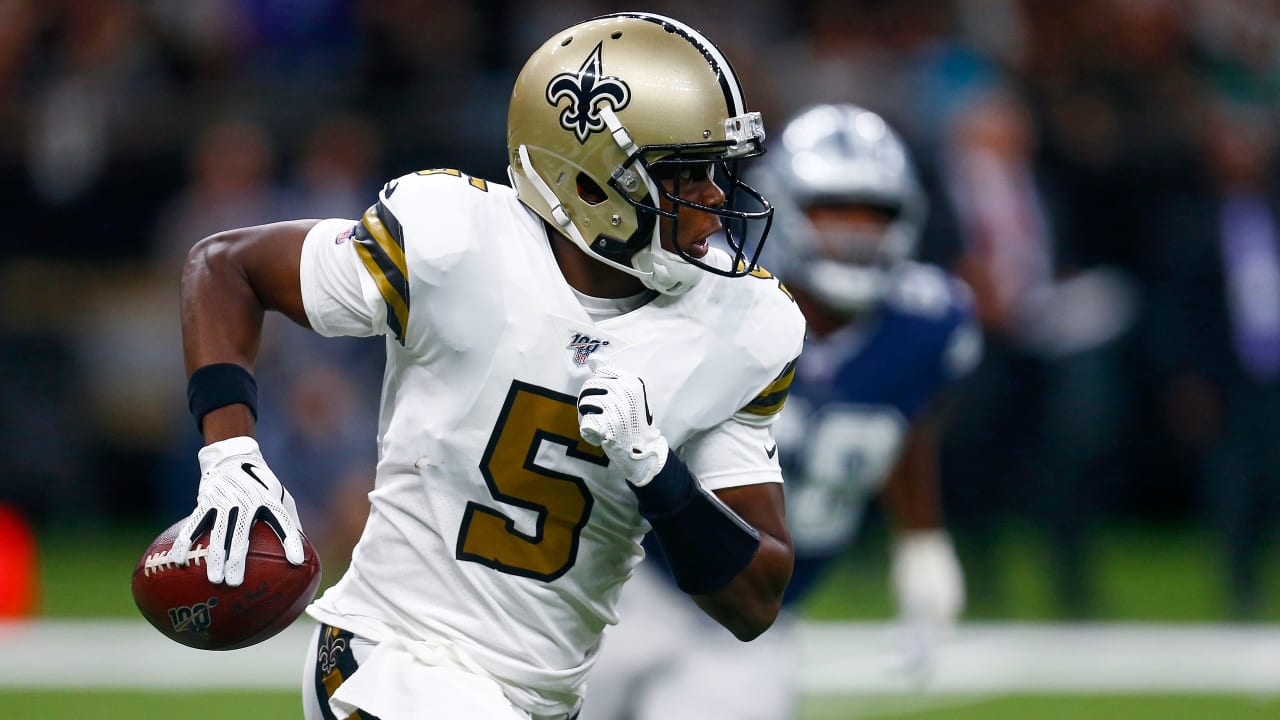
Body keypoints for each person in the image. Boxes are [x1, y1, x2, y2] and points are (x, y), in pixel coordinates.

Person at [167, 12, 805, 720]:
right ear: (589, 186)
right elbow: (225, 267)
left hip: (537, 698)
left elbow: (755, 598)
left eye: (717, 170)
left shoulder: (743, 325)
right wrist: (229, 454)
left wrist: (661, 477)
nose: (714, 199)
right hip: (389, 660)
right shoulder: (455, 242)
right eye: (683, 174)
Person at [583, 104, 981, 720]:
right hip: (630, 576)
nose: (853, 232)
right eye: (833, 210)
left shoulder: (928, 322)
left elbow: (905, 419)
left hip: (756, 615)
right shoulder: (709, 291)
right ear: (789, 208)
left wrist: (921, 540)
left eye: (873, 214)